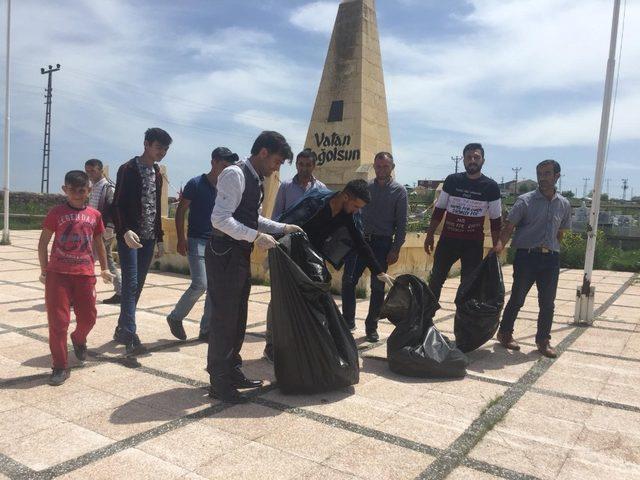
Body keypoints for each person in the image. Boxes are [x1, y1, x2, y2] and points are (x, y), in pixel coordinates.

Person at [207, 130, 303, 403]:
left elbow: (253, 218)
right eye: (276, 161)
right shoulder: (235, 174)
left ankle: (233, 370)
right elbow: (220, 219)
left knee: (238, 316)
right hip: (224, 251)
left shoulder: (254, 178)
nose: (277, 168)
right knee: (224, 319)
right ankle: (219, 381)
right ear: (263, 153)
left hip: (237, 252)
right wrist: (255, 237)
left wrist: (281, 227)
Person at [263, 178, 395, 361]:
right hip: (291, 254)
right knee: (280, 298)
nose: (357, 211)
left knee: (311, 301)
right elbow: (286, 223)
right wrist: (273, 253)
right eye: (356, 206)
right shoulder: (315, 202)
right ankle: (271, 345)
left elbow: (360, 242)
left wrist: (378, 271)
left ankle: (301, 344)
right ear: (346, 196)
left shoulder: (347, 215)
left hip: (313, 259)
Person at [38, 170, 113, 386]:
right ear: (65, 190)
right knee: (58, 322)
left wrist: (104, 268)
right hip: (58, 275)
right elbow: (43, 242)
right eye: (73, 190)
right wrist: (45, 270)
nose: (78, 195)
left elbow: (99, 242)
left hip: (85, 274)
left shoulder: (94, 215)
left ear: (89, 191)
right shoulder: (56, 213)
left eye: (82, 191)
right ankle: (60, 366)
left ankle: (78, 339)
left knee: (89, 318)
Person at [494, 159, 571, 358]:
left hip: (551, 259)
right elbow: (509, 226)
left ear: (556, 176)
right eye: (540, 174)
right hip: (526, 257)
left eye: (547, 174)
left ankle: (543, 341)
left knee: (548, 303)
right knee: (518, 298)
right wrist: (500, 245)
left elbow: (561, 232)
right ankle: (504, 333)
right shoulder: (525, 201)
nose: (543, 178)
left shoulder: (564, 204)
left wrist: (551, 248)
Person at [166, 147, 238, 342]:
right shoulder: (195, 183)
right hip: (197, 239)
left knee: (214, 287)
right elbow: (181, 211)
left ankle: (206, 329)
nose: (227, 170)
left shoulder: (227, 189)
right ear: (213, 162)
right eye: (224, 165)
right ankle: (175, 317)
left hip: (218, 242)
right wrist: (181, 238)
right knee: (201, 284)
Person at [112, 127, 171, 356]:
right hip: (130, 237)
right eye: (159, 147)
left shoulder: (157, 173)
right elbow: (116, 204)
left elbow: (156, 207)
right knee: (131, 284)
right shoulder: (128, 169)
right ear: (146, 144)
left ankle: (121, 328)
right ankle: (130, 334)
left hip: (149, 238)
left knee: (137, 286)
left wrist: (159, 239)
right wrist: (124, 230)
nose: (162, 153)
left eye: (165, 149)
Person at [341, 152, 408, 342]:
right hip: (359, 242)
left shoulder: (399, 191)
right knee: (348, 281)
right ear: (374, 167)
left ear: (392, 168)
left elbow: (402, 224)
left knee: (377, 287)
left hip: (382, 244)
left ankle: (371, 327)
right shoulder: (366, 187)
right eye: (378, 166)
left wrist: (395, 248)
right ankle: (348, 322)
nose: (381, 170)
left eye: (385, 166)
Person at [424, 143, 502, 302]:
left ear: (483, 161)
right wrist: (430, 234)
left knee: (468, 286)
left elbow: (495, 220)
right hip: (448, 241)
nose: (472, 160)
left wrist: (496, 248)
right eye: (469, 157)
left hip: (472, 245)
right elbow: (439, 209)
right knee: (436, 280)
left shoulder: (491, 187)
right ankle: (426, 319)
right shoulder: (452, 180)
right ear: (463, 160)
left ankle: (463, 324)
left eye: (476, 157)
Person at [84, 159, 121, 305]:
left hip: (104, 230)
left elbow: (114, 209)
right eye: (87, 171)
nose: (90, 174)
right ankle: (121, 291)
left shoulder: (108, 187)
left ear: (100, 170)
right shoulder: (93, 187)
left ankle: (83, 293)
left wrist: (110, 228)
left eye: (92, 171)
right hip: (93, 229)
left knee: (87, 261)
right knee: (108, 261)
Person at [271, 148, 326, 219]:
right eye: (301, 164)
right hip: (289, 229)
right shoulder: (285, 186)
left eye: (308, 165)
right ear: (296, 165)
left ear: (314, 166)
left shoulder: (321, 188)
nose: (304, 168)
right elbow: (277, 213)